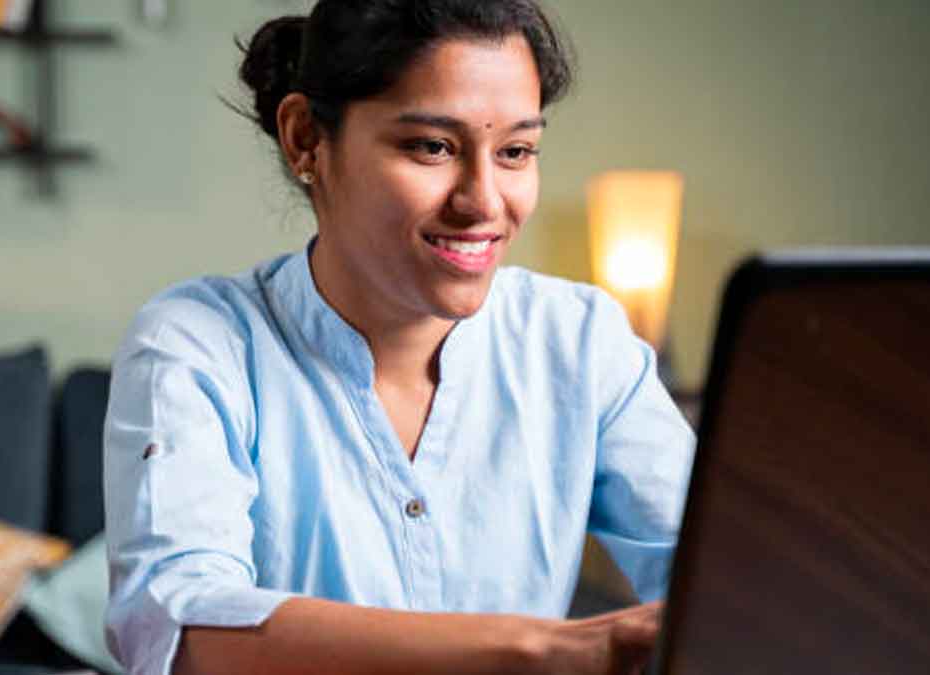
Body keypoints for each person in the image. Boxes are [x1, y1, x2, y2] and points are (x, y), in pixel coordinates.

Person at [103, 1, 695, 674]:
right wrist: (540, 649)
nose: (484, 201)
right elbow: (179, 624)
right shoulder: (196, 344)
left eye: (515, 152)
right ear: (304, 139)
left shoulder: (580, 341)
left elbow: (725, 580)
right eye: (431, 146)